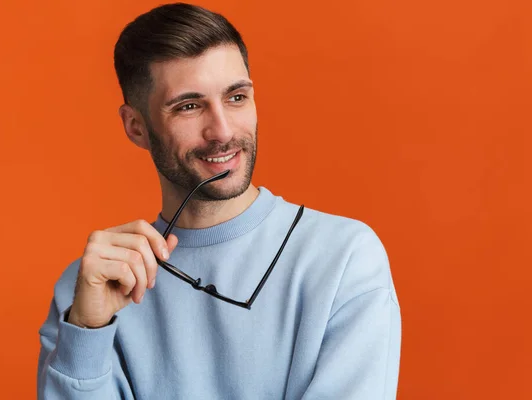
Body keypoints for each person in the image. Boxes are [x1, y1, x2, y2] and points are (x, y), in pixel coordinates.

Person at [36, 3, 402, 399]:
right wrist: (86, 333)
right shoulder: (94, 287)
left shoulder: (343, 257)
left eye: (237, 97)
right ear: (136, 126)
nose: (222, 131)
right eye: (189, 107)